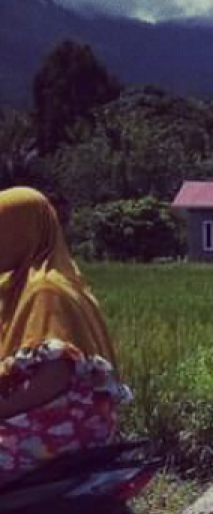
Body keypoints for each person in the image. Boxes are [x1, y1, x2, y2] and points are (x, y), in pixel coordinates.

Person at [1, 187, 131, 483]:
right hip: (75, 422)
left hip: (60, 424)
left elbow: (55, 376)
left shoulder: (45, 289)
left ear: (21, 234)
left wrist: (4, 408)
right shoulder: (49, 282)